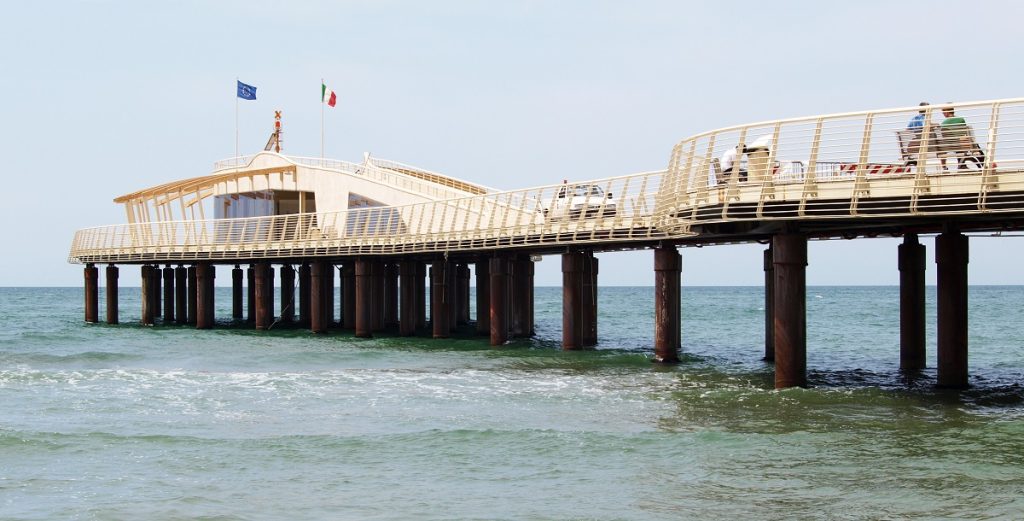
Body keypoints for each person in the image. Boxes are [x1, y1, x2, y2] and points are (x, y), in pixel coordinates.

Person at [939, 103, 978, 171]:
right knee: (973, 146)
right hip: (962, 144)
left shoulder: (944, 123)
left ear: (947, 112)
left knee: (948, 148)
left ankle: (945, 168)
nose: (943, 114)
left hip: (950, 145)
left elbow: (943, 136)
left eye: (943, 112)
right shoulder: (961, 120)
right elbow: (964, 133)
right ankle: (983, 165)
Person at [904, 102, 932, 167]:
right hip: (925, 144)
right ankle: (944, 167)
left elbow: (907, 130)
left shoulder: (914, 119)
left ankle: (910, 158)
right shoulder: (924, 118)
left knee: (914, 141)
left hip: (915, 145)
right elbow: (925, 126)